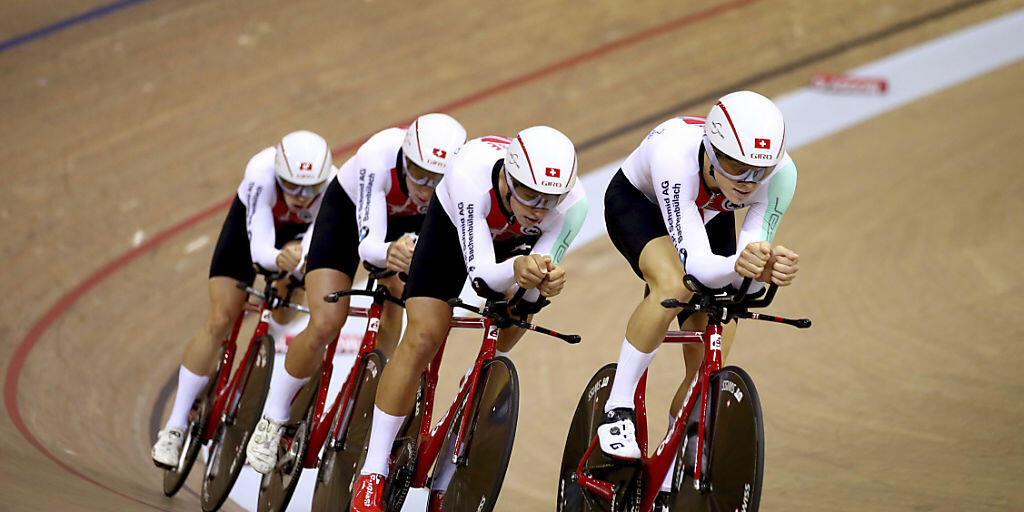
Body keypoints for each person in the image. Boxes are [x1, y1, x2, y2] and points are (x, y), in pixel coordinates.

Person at [349, 126, 589, 511]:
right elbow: (480, 277)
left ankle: (470, 392)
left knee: (520, 311)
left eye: (550, 198)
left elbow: (529, 288)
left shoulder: (573, 206)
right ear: (508, 178)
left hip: (514, 246)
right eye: (528, 193)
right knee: (424, 335)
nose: (538, 207)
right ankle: (372, 472)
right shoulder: (470, 177)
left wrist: (545, 280)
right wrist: (519, 266)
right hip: (453, 231)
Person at [595, 91, 800, 500]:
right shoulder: (677, 156)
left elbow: (747, 267)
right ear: (710, 150)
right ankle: (617, 408)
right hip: (642, 202)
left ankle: (673, 455)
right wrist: (746, 265)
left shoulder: (780, 175)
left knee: (721, 324)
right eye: (736, 167)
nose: (747, 181)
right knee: (672, 285)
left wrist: (766, 269)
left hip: (709, 212)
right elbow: (700, 269)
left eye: (759, 171)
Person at [245, 113, 467, 474]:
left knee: (401, 300)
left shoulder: (458, 181)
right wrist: (390, 252)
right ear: (404, 156)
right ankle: (272, 418)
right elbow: (369, 246)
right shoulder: (377, 155)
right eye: (418, 173)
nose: (426, 187)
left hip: (409, 228)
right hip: (350, 218)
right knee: (327, 321)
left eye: (437, 178)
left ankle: (375, 383)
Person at [152, 130, 334, 468]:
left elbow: (318, 240)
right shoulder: (261, 173)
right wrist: (280, 256)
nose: (300, 196)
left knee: (290, 294)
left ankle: (261, 357)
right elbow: (259, 248)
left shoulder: (332, 187)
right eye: (291, 186)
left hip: (297, 243)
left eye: (311, 189)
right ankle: (175, 427)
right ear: (279, 174)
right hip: (251, 233)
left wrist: (299, 255)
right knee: (221, 317)